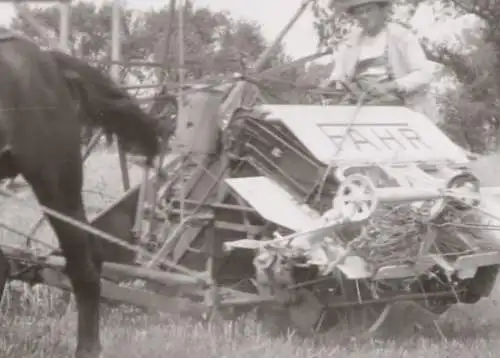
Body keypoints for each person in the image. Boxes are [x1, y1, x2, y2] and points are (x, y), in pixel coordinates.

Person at [321, 0, 439, 121]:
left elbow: (424, 74)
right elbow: (338, 76)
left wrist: (392, 86)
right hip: (359, 102)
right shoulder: (350, 42)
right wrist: (332, 86)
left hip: (400, 105)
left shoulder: (401, 36)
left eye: (369, 10)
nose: (364, 16)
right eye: (359, 12)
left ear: (383, 10)